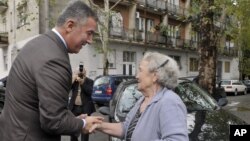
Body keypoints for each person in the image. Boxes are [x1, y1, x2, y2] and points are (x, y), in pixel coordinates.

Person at [0, 1, 103, 141]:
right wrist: (82, 124)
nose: (90, 40)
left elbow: (42, 105)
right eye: (89, 33)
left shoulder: (40, 43)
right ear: (70, 26)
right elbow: (53, 121)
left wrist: (72, 120)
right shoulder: (55, 59)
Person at [90, 52, 189, 141]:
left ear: (155, 76)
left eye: (140, 70)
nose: (136, 76)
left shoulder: (169, 101)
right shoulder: (142, 100)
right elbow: (125, 128)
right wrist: (98, 125)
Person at [68, 66, 96, 141]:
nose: (80, 74)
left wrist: (82, 83)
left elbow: (90, 92)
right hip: (74, 108)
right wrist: (73, 78)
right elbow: (67, 88)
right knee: (73, 129)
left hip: (85, 108)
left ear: (85, 72)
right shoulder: (74, 81)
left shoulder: (89, 81)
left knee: (85, 129)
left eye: (82, 72)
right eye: (79, 72)